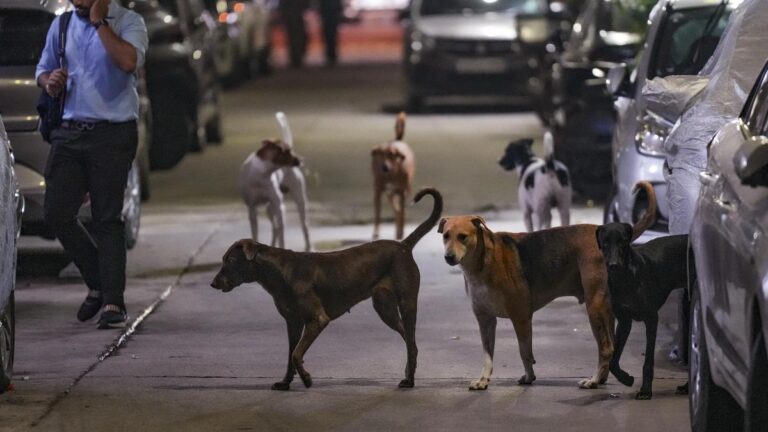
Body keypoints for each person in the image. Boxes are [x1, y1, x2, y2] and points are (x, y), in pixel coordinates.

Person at [36, 0, 148, 329]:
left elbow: (128, 62)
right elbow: (42, 70)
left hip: (112, 133)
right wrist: (50, 81)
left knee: (107, 217)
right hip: (69, 132)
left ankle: (113, 301)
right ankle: (99, 280)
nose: (78, 3)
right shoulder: (62, 25)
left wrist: (100, 24)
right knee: (56, 212)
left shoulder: (129, 22)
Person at [279, 0, 309, 68]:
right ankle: (296, 58)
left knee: (298, 38)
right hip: (293, 17)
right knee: (294, 39)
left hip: (298, 17)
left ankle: (297, 57)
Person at [319, 0, 343, 66]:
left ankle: (331, 55)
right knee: (331, 36)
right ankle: (331, 55)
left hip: (329, 14)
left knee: (330, 36)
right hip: (330, 14)